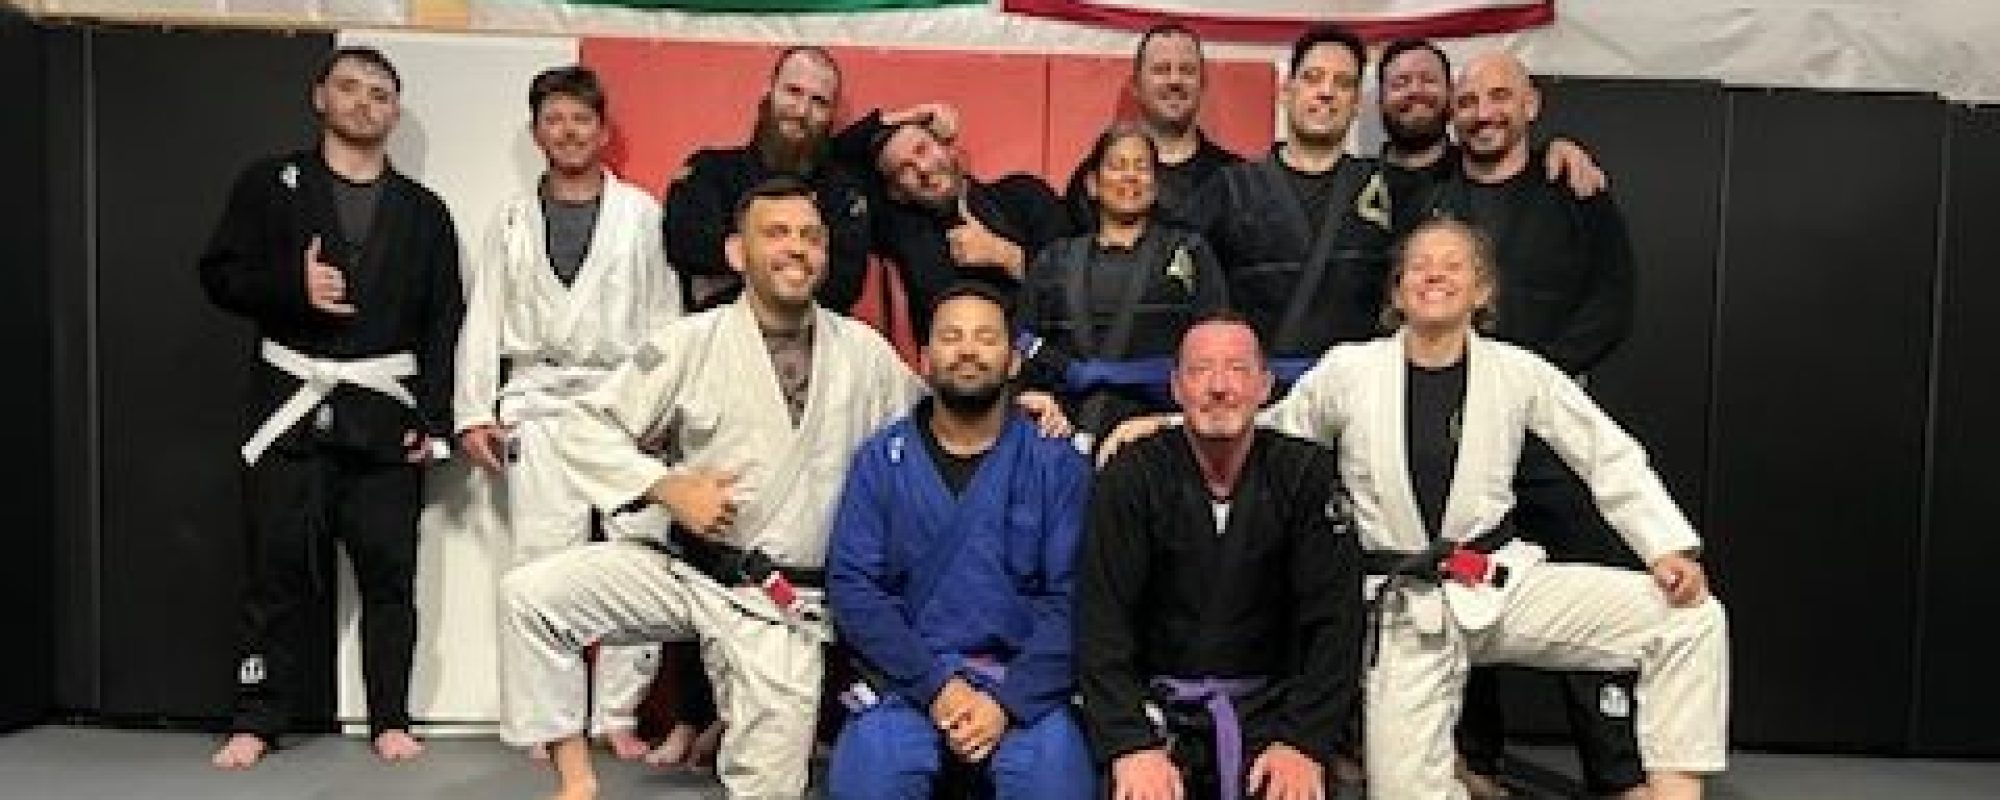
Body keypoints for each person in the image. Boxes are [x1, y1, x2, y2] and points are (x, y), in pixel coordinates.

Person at [1259, 218, 1726, 799]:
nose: (1434, 275)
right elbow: (1270, 439)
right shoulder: (1349, 371)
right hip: (1403, 605)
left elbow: (1604, 452)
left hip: (1496, 580)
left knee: (1688, 617)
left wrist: (1666, 546)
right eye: (1419, 265)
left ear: (1482, 292)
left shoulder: (1516, 371)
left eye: (1453, 265)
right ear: (1398, 292)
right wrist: (1175, 430)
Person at [496, 177, 922, 799]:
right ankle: (576, 782)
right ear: (736, 252)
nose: (796, 248)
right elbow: (585, 425)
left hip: (785, 600)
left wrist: (1027, 408)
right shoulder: (689, 342)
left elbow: (937, 428)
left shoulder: (865, 355)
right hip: (689, 569)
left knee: (769, 787)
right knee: (531, 597)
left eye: (811, 237)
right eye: (776, 234)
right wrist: (665, 485)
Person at [198, 46, 463, 769]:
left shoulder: (425, 213)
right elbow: (218, 276)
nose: (363, 102)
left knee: (390, 578)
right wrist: (292, 286)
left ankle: (390, 719)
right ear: (320, 96)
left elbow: (445, 322)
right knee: (273, 574)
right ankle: (256, 719)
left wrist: (435, 423)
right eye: (349, 87)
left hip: (383, 419)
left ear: (395, 112)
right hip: (289, 413)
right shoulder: (269, 184)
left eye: (380, 94)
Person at [1414, 50, 1649, 799]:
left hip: (1552, 440)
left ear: (1531, 104)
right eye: (1468, 102)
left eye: (1498, 97)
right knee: (1462, 590)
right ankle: (1475, 758)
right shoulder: (1432, 201)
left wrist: (1532, 383)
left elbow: (1613, 301)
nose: (1483, 113)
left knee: (1590, 595)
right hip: (1460, 439)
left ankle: (1615, 772)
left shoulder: (1573, 191)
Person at [452, 65, 680, 763]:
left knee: (638, 558)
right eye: (554, 118)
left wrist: (663, 407)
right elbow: (484, 315)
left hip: (623, 402)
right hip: (538, 400)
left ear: (603, 131)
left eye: (582, 118)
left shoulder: (641, 214)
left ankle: (616, 714)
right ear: (536, 132)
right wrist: (473, 411)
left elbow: (664, 317)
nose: (569, 131)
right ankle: (552, 723)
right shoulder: (511, 219)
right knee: (540, 564)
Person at [1078, 311, 1364, 800]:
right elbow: (1102, 622)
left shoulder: (1306, 475)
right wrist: (1130, 744)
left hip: (1276, 717)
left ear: (1265, 386)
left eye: (1237, 369)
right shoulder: (1133, 476)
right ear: (1175, 388)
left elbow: (1336, 622)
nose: (1218, 387)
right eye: (1200, 370)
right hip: (1159, 716)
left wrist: (1303, 742)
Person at [825, 283, 1096, 799]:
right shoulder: (881, 461)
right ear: (925, 359)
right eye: (951, 337)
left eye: (986, 338)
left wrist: (1008, 702)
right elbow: (854, 588)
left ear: (1013, 361)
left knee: (1054, 773)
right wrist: (936, 687)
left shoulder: (1055, 464)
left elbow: (1077, 598)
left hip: (1025, 688)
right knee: (871, 771)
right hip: (908, 682)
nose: (968, 350)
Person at [1187, 25, 1395, 379]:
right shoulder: (1231, 188)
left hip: (1358, 390)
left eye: (1343, 83)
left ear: (1358, 103)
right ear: (1286, 91)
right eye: (1313, 78)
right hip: (1257, 392)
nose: (1326, 92)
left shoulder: (1386, 187)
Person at [1020, 124, 1226, 447]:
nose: (1130, 176)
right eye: (1118, 165)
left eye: (1141, 167)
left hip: (1161, 436)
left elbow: (1217, 347)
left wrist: (1165, 422)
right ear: (1092, 184)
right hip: (1061, 434)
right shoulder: (1054, 260)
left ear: (1156, 185)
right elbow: (1021, 345)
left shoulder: (1190, 251)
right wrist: (1035, 399)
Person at [663, 45, 874, 314]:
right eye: (793, 91)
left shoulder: (843, 192)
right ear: (769, 92)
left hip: (810, 335)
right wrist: (799, 266)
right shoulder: (711, 170)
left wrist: (737, 261)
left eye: (819, 101)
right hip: (719, 332)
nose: (802, 110)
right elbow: (686, 245)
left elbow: (844, 285)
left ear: (831, 115)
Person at [837, 110, 1074, 338]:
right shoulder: (899, 228)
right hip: (948, 361)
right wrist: (906, 116)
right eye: (904, 168)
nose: (923, 168)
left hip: (1039, 357)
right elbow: (833, 164)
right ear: (896, 193)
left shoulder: (1024, 196)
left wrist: (1006, 255)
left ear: (946, 147)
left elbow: (1079, 287)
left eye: (922, 150)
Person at [1062, 23, 1242, 230]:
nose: (1175, 81)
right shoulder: (1097, 180)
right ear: (1136, 85)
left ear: (1203, 84)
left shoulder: (1236, 182)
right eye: (1161, 70)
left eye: (1187, 70)